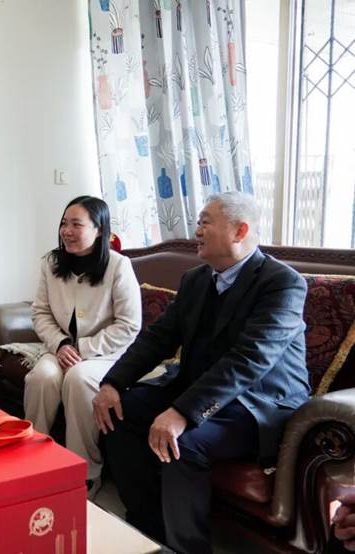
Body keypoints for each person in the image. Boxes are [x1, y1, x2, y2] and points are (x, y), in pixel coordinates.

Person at [93, 191, 310, 554]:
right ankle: (148, 532)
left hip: (256, 403)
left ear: (240, 231)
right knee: (120, 413)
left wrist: (183, 412)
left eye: (205, 222)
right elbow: (159, 338)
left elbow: (250, 359)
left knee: (186, 443)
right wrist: (113, 383)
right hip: (200, 390)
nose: (197, 230)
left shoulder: (282, 283)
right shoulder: (196, 279)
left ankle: (187, 549)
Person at [24, 195, 141, 495]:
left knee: (78, 379)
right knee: (42, 377)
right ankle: (31, 458)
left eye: (77, 224)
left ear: (99, 230)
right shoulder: (51, 263)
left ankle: (85, 471)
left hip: (105, 353)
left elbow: (129, 325)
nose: (67, 231)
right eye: (64, 223)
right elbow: (40, 312)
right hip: (61, 348)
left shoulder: (118, 266)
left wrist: (83, 349)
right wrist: (61, 344)